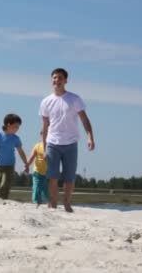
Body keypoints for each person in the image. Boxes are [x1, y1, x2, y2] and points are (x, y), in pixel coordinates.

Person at [39, 68, 95, 212]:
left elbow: (85, 119)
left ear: (65, 80)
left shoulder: (74, 99)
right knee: (52, 175)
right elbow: (44, 126)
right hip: (52, 143)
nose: (57, 81)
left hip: (70, 142)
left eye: (60, 78)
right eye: (54, 78)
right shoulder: (46, 101)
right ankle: (53, 202)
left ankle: (67, 203)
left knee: (69, 176)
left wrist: (90, 137)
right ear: (51, 80)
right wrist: (44, 147)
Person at [27, 132, 49, 206]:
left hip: (47, 172)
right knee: (36, 186)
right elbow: (32, 157)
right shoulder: (37, 146)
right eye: (43, 134)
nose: (45, 136)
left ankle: (47, 201)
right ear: (41, 135)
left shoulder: (50, 146)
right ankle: (35, 201)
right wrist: (27, 165)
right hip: (37, 171)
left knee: (45, 188)